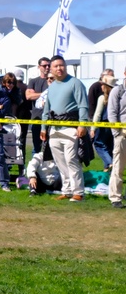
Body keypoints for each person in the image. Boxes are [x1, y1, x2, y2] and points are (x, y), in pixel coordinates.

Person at [40, 55, 89, 202]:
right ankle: (67, 190)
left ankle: (78, 192)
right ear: (51, 69)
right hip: (54, 129)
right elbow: (46, 109)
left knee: (71, 160)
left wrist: (83, 124)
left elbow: (83, 105)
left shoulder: (75, 83)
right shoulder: (52, 86)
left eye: (61, 65)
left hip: (70, 128)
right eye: (56, 66)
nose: (59, 68)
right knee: (59, 161)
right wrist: (44, 128)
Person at [107, 68, 126, 208]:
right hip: (122, 133)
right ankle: (115, 198)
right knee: (118, 167)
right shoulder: (117, 91)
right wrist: (117, 133)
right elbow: (112, 113)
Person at [23, 57, 51, 156]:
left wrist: (37, 95)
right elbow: (29, 96)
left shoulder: (54, 81)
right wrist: (45, 94)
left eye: (49, 65)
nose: (47, 67)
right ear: (39, 67)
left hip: (52, 118)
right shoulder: (33, 81)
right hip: (37, 117)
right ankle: (34, 170)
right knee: (36, 147)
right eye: (44, 65)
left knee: (51, 147)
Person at [90, 74, 117, 172]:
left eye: (102, 85)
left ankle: (110, 162)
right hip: (115, 126)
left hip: (103, 125)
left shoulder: (102, 98)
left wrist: (93, 128)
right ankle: (108, 169)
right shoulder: (117, 97)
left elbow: (97, 114)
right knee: (109, 146)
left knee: (99, 144)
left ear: (106, 87)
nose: (101, 86)